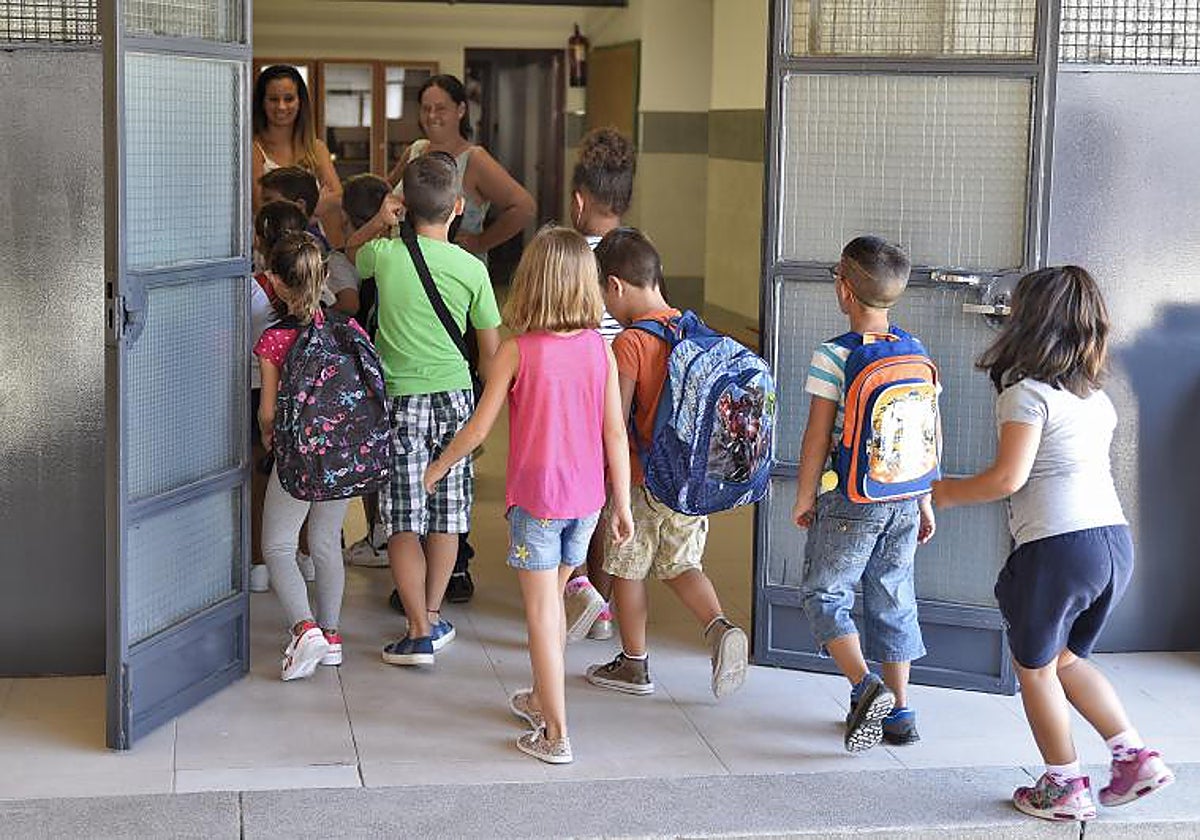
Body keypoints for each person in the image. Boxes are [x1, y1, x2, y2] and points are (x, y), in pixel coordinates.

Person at [932, 266, 1174, 822]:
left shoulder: (1027, 395)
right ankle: (1133, 756)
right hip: (1112, 546)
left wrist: (945, 493)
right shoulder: (1095, 400)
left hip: (1059, 549)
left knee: (1035, 669)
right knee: (1067, 659)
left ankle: (1062, 784)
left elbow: (1007, 479)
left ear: (1029, 323)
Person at [423, 226, 634, 764]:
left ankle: (555, 732)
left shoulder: (516, 353)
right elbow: (614, 433)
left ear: (530, 282)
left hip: (538, 502)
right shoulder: (599, 350)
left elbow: (476, 428)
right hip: (585, 503)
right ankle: (542, 696)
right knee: (553, 605)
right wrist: (623, 504)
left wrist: (437, 468)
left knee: (541, 613)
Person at [346, 153, 501, 666]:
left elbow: (349, 252)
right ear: (458, 207)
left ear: (405, 206)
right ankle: (432, 617)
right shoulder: (473, 269)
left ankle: (414, 629)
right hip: (456, 401)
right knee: (446, 516)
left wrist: (379, 219)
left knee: (402, 519)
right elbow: (492, 353)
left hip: (400, 403)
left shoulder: (385, 256)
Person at [585, 228, 749, 700]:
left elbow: (615, 419)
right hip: (688, 482)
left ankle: (634, 664)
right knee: (682, 565)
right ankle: (718, 628)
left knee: (628, 568)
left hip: (641, 480)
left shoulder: (631, 343)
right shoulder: (693, 329)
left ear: (614, 287)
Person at [792, 236, 936, 752]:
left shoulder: (834, 356)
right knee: (892, 596)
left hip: (851, 498)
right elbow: (920, 435)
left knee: (825, 592)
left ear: (844, 289)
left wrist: (805, 496)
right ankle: (900, 714)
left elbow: (816, 436)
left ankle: (863, 685)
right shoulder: (915, 350)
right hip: (902, 496)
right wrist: (923, 499)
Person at [255, 231, 364, 680]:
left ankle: (305, 631)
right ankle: (333, 635)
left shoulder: (274, 340)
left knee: (279, 544)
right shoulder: (349, 329)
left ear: (278, 284)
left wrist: (268, 437)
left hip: (297, 455)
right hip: (341, 454)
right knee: (324, 541)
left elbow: (267, 410)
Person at [562, 127, 636, 643]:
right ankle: (603, 606)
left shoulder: (566, 256)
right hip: (625, 395)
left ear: (578, 200)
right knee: (612, 500)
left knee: (576, 499)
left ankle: (578, 589)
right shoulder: (637, 254)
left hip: (577, 397)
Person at [385, 74, 534, 262]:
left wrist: (481, 242)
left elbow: (524, 207)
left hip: (456, 275)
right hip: (405, 267)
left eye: (440, 109)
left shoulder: (475, 159)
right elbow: (386, 191)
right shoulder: (415, 150)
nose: (431, 116)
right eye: (426, 109)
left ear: (461, 110)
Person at [249, 200, 311, 594]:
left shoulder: (250, 286)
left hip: (256, 390)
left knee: (259, 478)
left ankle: (258, 563)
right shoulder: (315, 284)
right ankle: (307, 556)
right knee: (303, 481)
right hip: (306, 396)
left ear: (258, 240)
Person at [339, 174, 395, 570]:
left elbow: (349, 302)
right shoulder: (398, 252)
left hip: (361, 364)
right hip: (395, 362)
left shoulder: (352, 258)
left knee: (367, 448)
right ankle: (385, 531)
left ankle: (377, 533)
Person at [252, 65, 344, 248]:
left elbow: (338, 197)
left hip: (312, 249)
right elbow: (259, 206)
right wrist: (314, 207)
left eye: (289, 98)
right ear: (262, 102)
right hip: (270, 249)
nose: (281, 106)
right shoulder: (253, 149)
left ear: (300, 101)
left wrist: (290, 210)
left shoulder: (316, 148)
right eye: (273, 99)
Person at [259, 166, 359, 317]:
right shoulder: (272, 242)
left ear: (299, 205)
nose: (262, 208)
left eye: (269, 201)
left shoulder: (313, 248)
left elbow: (345, 304)